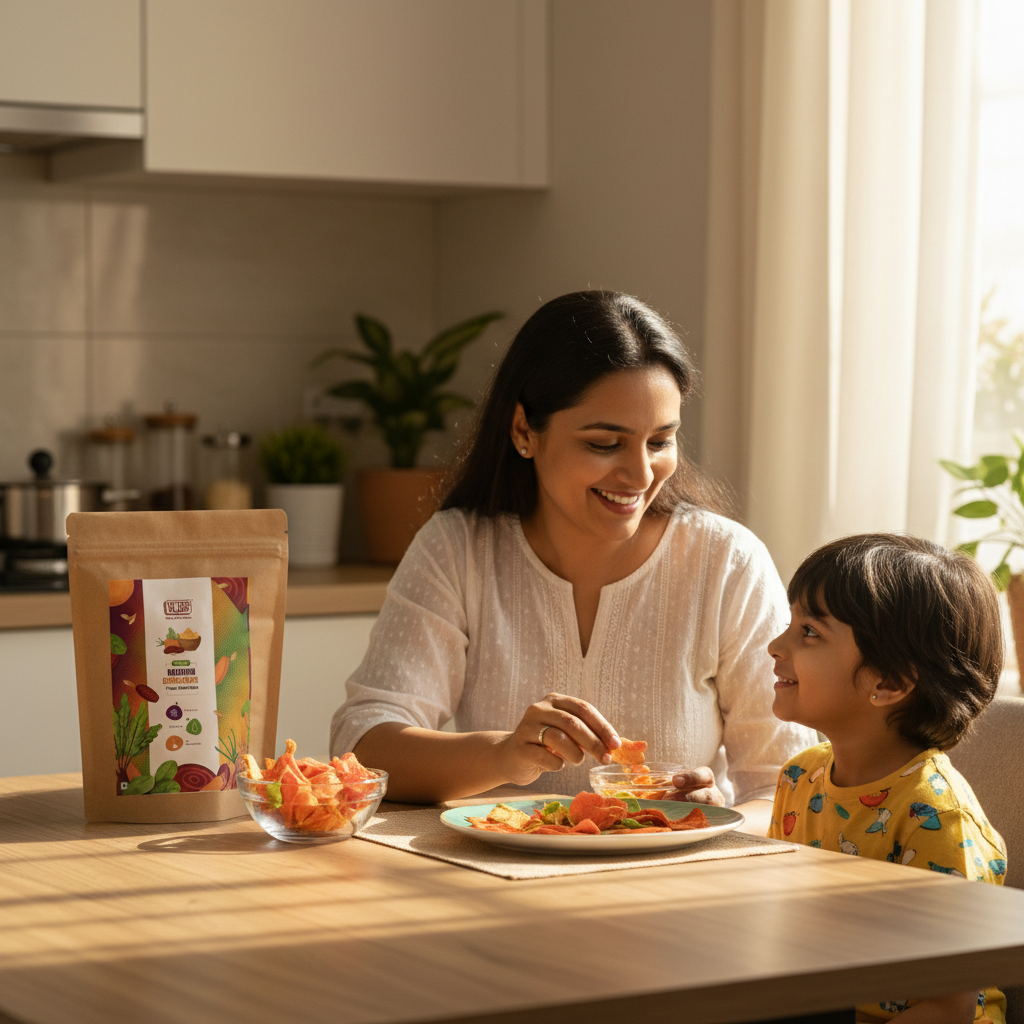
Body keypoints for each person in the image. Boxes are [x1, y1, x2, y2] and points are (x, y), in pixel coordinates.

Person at [331, 290, 816, 829]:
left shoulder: (727, 561)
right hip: (495, 886)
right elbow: (364, 743)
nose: (639, 474)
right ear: (523, 431)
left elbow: (788, 790)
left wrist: (709, 818)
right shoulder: (458, 548)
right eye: (605, 444)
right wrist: (503, 756)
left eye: (660, 441)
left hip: (674, 891)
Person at [767, 534, 1008, 1024]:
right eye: (789, 625)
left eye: (809, 632)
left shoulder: (937, 818)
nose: (776, 646)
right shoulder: (799, 777)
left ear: (889, 683)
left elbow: (947, 1006)